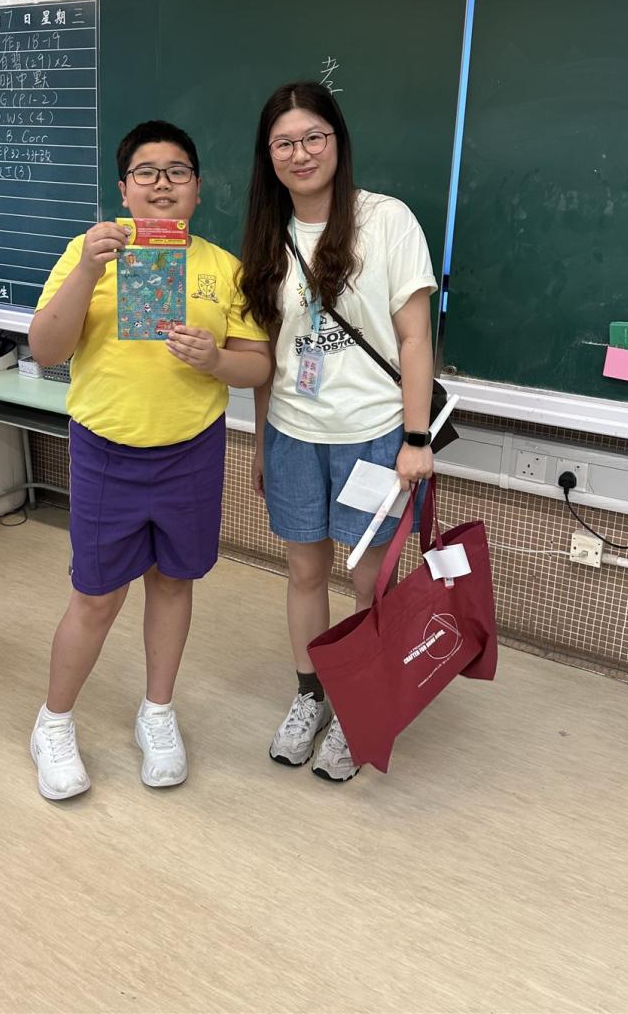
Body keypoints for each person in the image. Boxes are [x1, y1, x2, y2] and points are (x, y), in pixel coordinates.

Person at [28, 120, 270, 800]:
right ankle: (53, 721)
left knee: (172, 582)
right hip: (106, 450)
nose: (162, 185)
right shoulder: (89, 252)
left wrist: (215, 360)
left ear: (198, 188)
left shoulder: (224, 269)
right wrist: (88, 268)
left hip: (191, 450)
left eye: (177, 172)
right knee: (96, 595)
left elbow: (257, 366)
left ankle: (157, 712)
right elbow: (45, 350)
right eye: (146, 173)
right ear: (124, 188)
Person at [240, 81, 438, 783]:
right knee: (304, 572)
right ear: (268, 155)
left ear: (337, 141)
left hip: (375, 434)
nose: (300, 154)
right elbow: (267, 354)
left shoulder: (386, 220)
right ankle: (311, 696)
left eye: (313, 137)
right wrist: (260, 441)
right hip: (293, 434)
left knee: (368, 577)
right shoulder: (267, 235)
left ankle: (362, 702)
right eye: (284, 143)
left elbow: (415, 339)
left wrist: (416, 439)